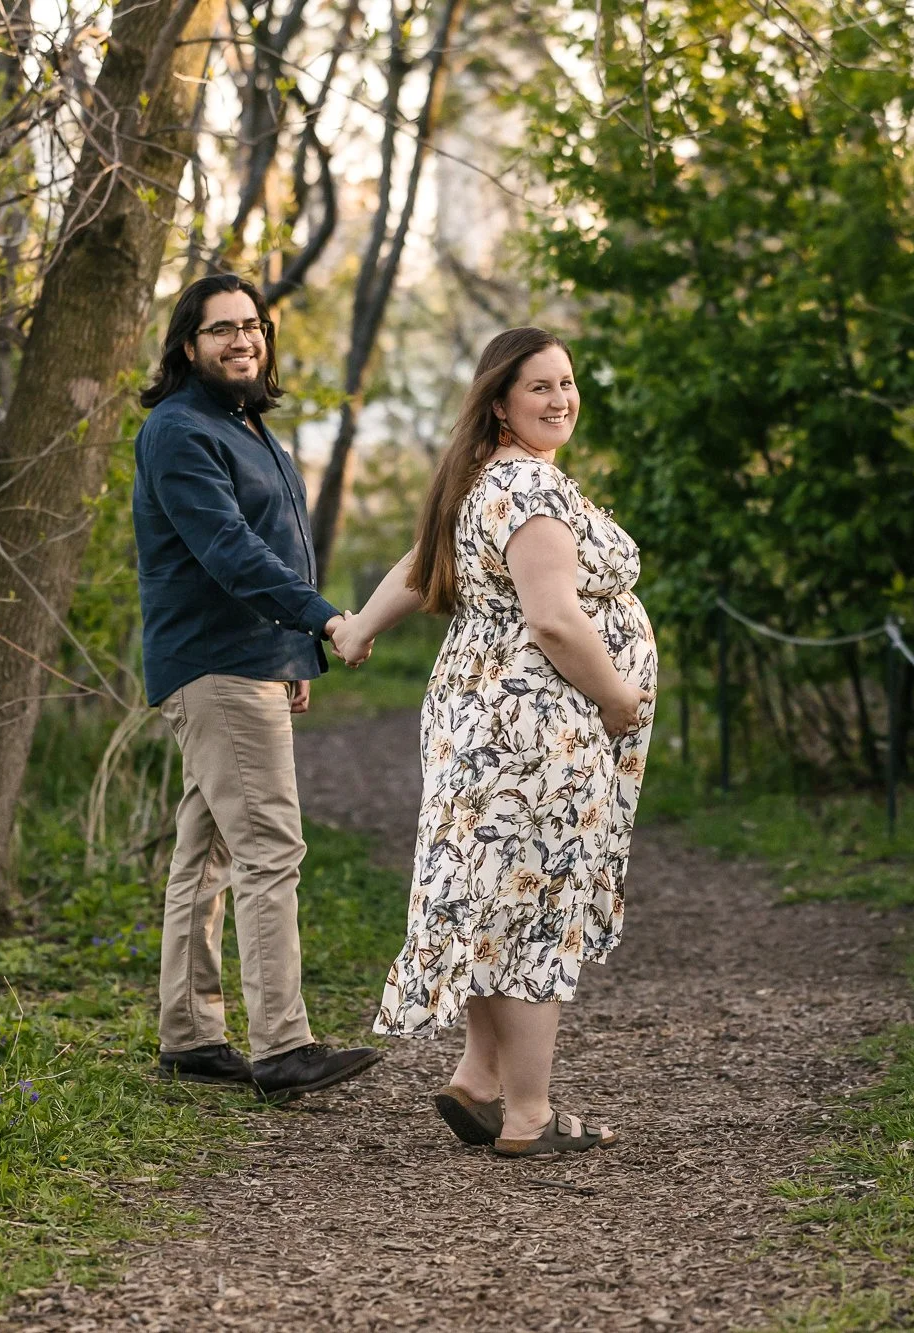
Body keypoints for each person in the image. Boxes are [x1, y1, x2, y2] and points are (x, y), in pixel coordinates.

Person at [332, 327, 655, 1156]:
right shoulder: (530, 491)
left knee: (493, 900)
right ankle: (530, 1114)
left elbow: (419, 565)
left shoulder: (484, 482)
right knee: (531, 906)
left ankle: (480, 1081)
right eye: (540, 387)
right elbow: (554, 616)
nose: (562, 399)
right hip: (535, 725)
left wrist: (360, 628)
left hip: (483, 719)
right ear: (500, 402)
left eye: (568, 382)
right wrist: (618, 698)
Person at [132, 272, 380, 1102]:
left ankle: (191, 1035)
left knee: (204, 855)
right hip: (215, 662)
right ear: (187, 345)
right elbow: (230, 552)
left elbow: (277, 541)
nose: (242, 340)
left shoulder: (244, 425)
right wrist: (324, 619)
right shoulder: (179, 431)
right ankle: (282, 1044)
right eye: (221, 329)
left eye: (252, 327)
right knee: (270, 849)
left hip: (247, 661)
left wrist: (292, 654)